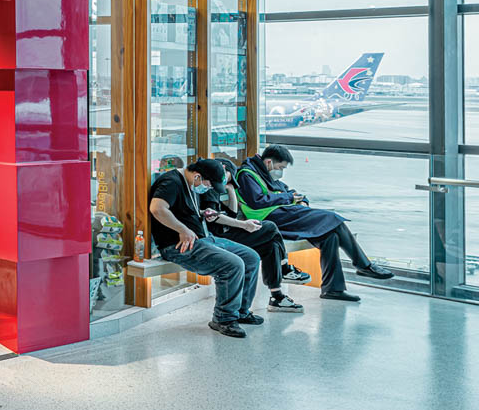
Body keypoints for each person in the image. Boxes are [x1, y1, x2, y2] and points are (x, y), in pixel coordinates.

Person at [237, 143, 394, 303]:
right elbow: (257, 201)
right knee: (333, 219)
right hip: (270, 218)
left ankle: (333, 289)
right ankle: (363, 265)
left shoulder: (264, 174)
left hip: (284, 215)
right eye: (280, 167)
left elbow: (289, 191)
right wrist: (290, 199)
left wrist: (302, 200)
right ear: (269, 162)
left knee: (330, 236)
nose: (281, 172)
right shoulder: (247, 175)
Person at [149, 158, 262, 338]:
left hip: (204, 238)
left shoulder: (192, 185)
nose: (208, 189)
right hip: (179, 245)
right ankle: (224, 319)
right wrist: (182, 229)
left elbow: (188, 210)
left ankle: (240, 311)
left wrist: (206, 214)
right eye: (208, 185)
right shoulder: (171, 181)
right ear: (198, 176)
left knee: (251, 257)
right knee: (232, 265)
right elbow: (157, 209)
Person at [201, 159, 303, 313]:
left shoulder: (221, 187)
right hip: (219, 237)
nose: (228, 181)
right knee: (269, 227)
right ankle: (284, 268)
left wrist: (231, 191)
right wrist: (244, 225)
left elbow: (232, 214)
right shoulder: (210, 188)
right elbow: (214, 217)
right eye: (229, 177)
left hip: (228, 232)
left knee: (271, 245)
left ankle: (277, 295)